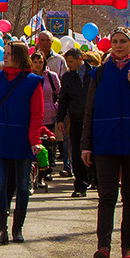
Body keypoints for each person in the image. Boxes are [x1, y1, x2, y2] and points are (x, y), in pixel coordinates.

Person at [82, 27, 130, 258]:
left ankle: (128, 248)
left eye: (123, 41)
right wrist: (86, 145)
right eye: (115, 41)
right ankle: (103, 246)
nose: (119, 45)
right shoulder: (99, 73)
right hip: (106, 142)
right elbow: (89, 111)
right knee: (107, 196)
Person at [0, 41, 44, 244]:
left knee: (23, 186)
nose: (5, 56)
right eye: (4, 53)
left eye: (9, 53)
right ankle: (1, 229)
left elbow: (37, 114)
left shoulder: (33, 82)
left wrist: (35, 139)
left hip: (22, 139)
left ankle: (18, 228)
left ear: (20, 56)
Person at [57, 48, 93, 197]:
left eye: (71, 61)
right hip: (76, 120)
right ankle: (80, 185)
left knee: (94, 151)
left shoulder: (94, 74)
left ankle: (95, 179)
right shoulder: (67, 77)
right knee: (77, 153)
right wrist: (60, 119)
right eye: (67, 62)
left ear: (80, 59)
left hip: (93, 119)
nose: (69, 65)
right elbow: (63, 100)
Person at [30, 50, 62, 179]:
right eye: (35, 62)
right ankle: (35, 172)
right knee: (35, 145)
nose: (38, 64)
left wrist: (55, 107)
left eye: (40, 62)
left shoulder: (51, 76)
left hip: (48, 115)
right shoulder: (28, 77)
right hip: (32, 116)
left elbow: (60, 93)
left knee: (48, 145)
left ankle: (46, 171)